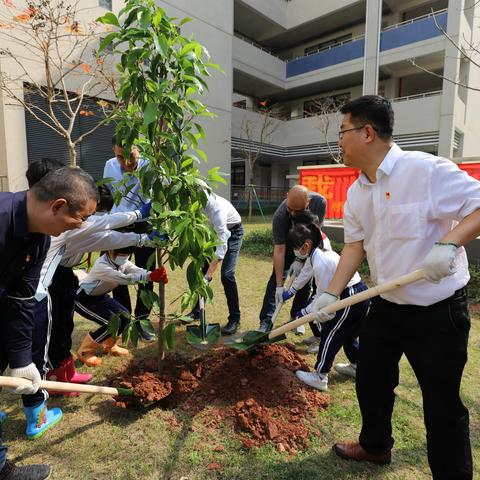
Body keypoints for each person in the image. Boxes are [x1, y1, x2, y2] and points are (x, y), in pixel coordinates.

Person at [312, 95, 479, 479]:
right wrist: (330, 293)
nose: (339, 141)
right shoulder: (357, 193)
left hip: (438, 311)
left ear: (367, 132)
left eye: (343, 131)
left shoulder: (425, 170)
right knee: (371, 380)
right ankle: (375, 447)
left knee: (441, 405)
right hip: (387, 304)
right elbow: (355, 246)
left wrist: (450, 242)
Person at [0, 166, 97, 479]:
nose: (80, 226)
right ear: (58, 206)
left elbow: (21, 298)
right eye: (80, 218)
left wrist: (21, 360)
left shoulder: (39, 239)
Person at [281, 222, 369, 391]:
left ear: (305, 245)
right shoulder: (316, 255)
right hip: (354, 294)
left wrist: (304, 312)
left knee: (331, 332)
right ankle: (358, 365)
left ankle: (320, 376)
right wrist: (301, 305)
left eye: (295, 247)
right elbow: (319, 291)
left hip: (349, 296)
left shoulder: (321, 262)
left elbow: (323, 296)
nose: (295, 251)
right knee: (349, 335)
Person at [74, 247, 168, 366]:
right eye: (120, 254)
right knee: (112, 323)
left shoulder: (123, 261)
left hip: (100, 296)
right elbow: (122, 278)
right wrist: (149, 277)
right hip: (84, 299)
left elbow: (135, 270)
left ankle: (110, 346)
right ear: (109, 250)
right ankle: (85, 352)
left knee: (125, 317)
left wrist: (151, 274)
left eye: (126, 254)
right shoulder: (101, 265)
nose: (123, 257)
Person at [103, 135, 156, 341]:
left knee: (146, 274)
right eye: (119, 157)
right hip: (119, 226)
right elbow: (108, 197)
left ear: (138, 150)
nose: (126, 163)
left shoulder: (151, 166)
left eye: (130, 156)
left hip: (144, 225)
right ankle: (125, 320)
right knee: (116, 275)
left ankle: (143, 321)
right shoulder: (109, 166)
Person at [258, 185, 327, 333]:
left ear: (307, 202)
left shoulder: (319, 203)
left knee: (305, 282)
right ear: (287, 195)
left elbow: (314, 235)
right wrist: (279, 286)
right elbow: (279, 250)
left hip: (307, 244)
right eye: (290, 209)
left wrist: (302, 259)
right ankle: (266, 321)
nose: (293, 213)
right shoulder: (280, 216)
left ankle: (296, 318)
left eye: (298, 210)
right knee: (275, 280)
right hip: (288, 246)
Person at [188, 193, 244, 335]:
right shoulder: (197, 203)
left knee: (227, 275)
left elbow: (221, 249)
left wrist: (209, 276)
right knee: (201, 271)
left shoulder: (217, 210)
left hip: (233, 233)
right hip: (213, 233)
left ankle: (235, 319)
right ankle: (196, 312)